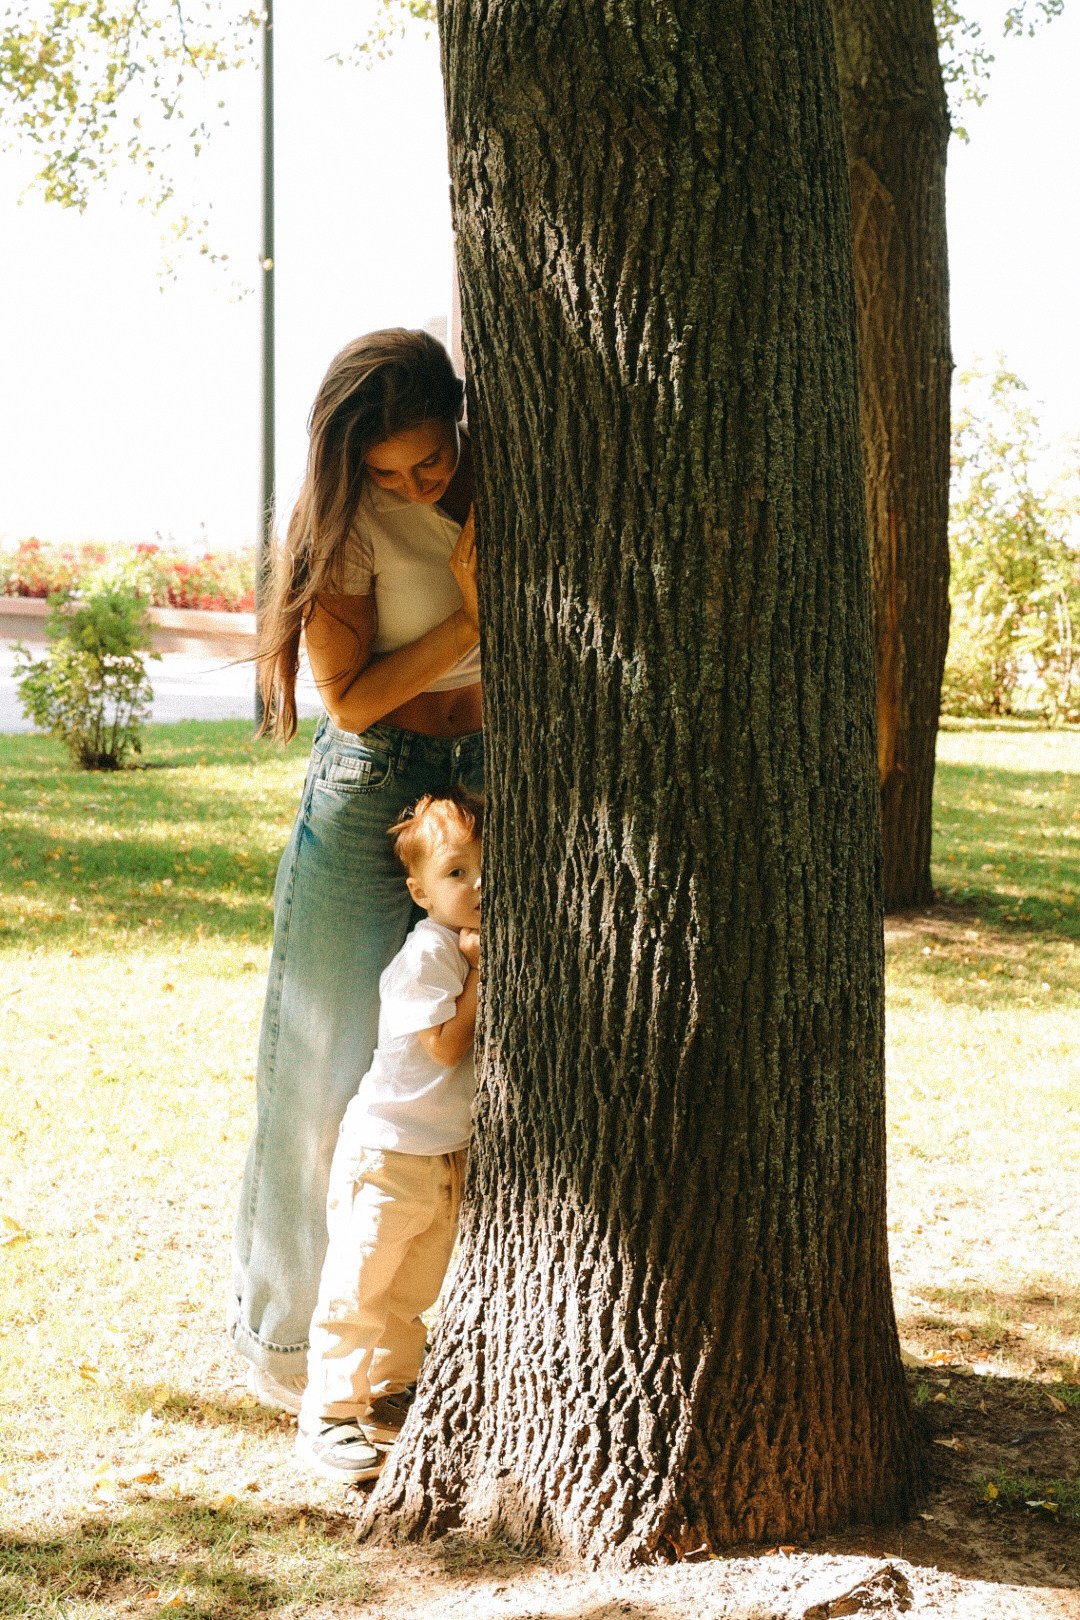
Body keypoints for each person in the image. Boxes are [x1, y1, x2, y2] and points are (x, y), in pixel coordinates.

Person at [230, 329, 483, 1411]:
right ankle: (290, 1352)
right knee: (325, 1073)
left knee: (463, 1070)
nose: (415, 482)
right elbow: (353, 697)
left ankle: (420, 1338)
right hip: (378, 779)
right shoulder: (344, 524)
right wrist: (476, 613)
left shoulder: (502, 478)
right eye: (389, 471)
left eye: (429, 461)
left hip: (489, 781)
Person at [295, 788, 482, 1483]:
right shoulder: (431, 952)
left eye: (485, 865)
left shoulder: (465, 945)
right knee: (360, 1286)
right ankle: (328, 1412)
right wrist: (482, 975)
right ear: (420, 890)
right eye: (456, 872)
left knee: (413, 1288)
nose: (478, 882)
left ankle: (388, 1392)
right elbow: (442, 1047)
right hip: (387, 1151)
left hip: (438, 1154)